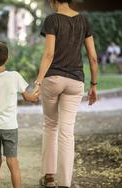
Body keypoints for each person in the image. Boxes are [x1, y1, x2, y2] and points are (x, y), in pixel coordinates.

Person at [33, 0, 98, 187]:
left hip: (53, 79)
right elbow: (93, 57)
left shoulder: (52, 20)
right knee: (67, 132)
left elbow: (49, 54)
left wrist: (38, 81)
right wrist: (93, 84)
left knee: (50, 125)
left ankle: (49, 177)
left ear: (53, 1)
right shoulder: (84, 21)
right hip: (76, 81)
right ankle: (65, 183)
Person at [0, 42, 39, 188]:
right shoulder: (14, 76)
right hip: (10, 126)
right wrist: (37, 93)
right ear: (7, 58)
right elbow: (29, 97)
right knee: (12, 162)